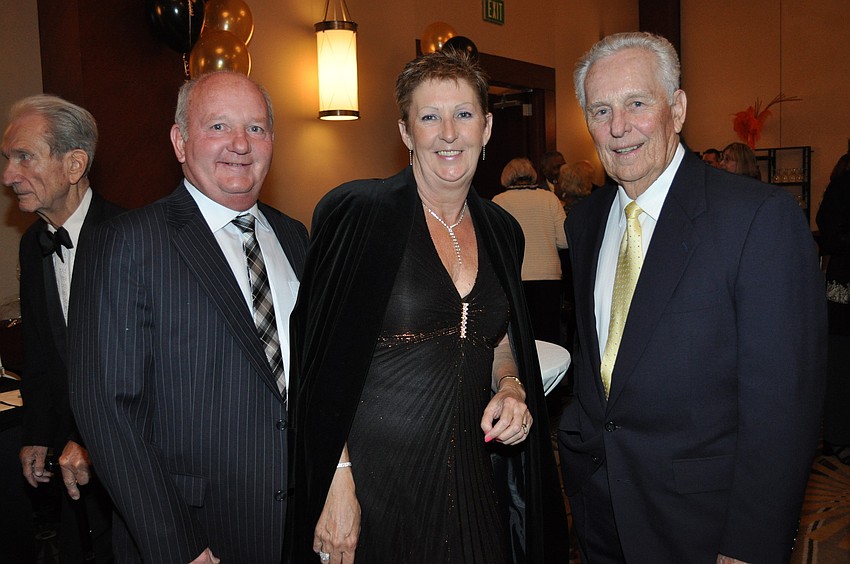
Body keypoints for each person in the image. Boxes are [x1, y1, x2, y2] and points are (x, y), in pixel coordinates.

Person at [287, 49, 568, 564]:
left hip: (472, 480)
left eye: (463, 115)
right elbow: (314, 360)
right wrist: (335, 481)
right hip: (372, 484)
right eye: (429, 116)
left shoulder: (503, 230)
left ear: (485, 128)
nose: (447, 133)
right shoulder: (356, 213)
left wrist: (510, 386)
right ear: (405, 132)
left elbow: (500, 339)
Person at [558, 31, 826, 563]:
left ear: (677, 108)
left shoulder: (756, 219)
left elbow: (783, 407)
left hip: (702, 526)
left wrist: (750, 545)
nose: (618, 127)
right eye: (601, 110)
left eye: (637, 103)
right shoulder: (586, 221)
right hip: (598, 511)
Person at [68, 71, 308, 563]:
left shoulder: (295, 237)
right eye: (218, 126)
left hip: (297, 524)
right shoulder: (128, 243)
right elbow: (108, 410)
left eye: (257, 129)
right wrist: (178, 546)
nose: (240, 144)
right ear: (180, 142)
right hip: (195, 533)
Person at [2, 94, 121, 562]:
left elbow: (146, 367)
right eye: (9, 159)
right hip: (68, 461)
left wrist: (92, 439)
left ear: (74, 165)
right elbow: (41, 352)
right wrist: (35, 431)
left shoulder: (132, 236)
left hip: (133, 458)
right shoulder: (34, 243)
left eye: (24, 157)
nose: (8, 176)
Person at [493, 157, 567, 345]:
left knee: (519, 338)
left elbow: (495, 244)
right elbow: (564, 240)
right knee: (548, 336)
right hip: (548, 277)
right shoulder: (550, 199)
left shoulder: (499, 201)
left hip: (515, 277)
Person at [816, 151, 850, 465]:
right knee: (840, 362)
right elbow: (826, 228)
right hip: (844, 282)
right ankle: (837, 437)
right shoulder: (842, 188)